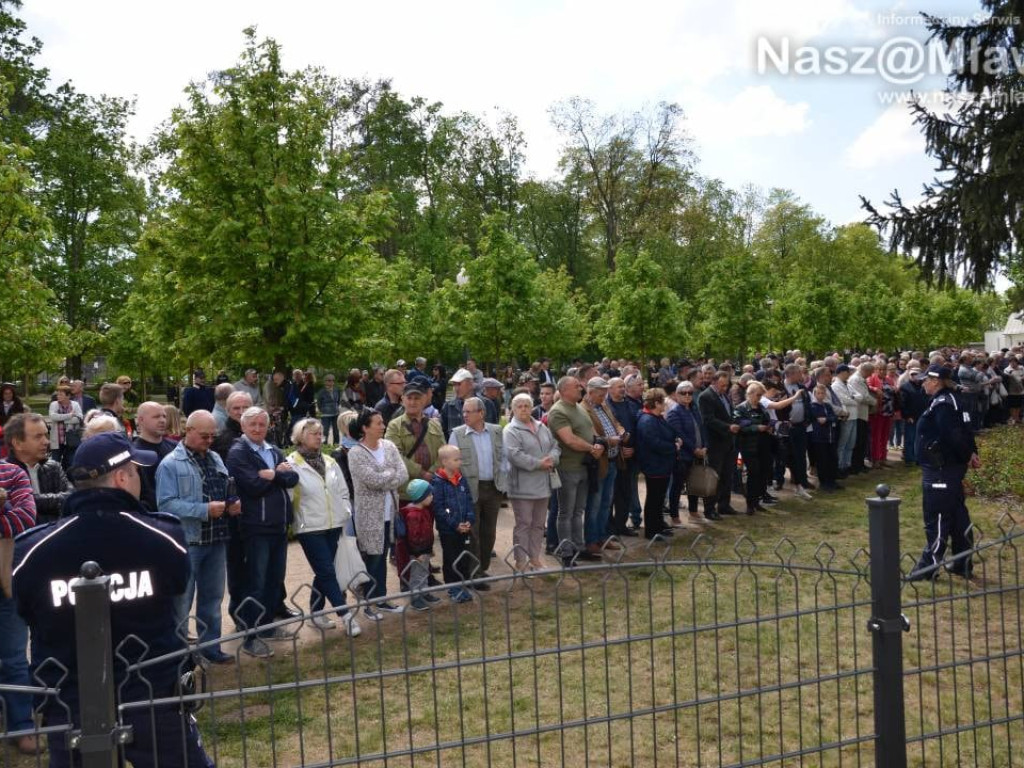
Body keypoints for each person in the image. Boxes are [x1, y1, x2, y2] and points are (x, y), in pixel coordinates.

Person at [13, 432, 213, 766]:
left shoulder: (33, 549)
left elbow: (26, 607)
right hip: (151, 692)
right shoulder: (162, 534)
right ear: (121, 477)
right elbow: (178, 583)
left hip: (69, 697)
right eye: (136, 472)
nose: (140, 480)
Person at [156, 410, 238, 665]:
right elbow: (165, 504)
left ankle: (210, 648)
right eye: (204, 436)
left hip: (216, 539)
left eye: (212, 435)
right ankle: (180, 658)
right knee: (182, 602)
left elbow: (226, 488)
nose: (209, 440)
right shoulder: (170, 464)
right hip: (189, 542)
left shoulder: (214, 457)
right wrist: (203, 510)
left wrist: (232, 503)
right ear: (188, 431)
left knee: (212, 599)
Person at [226, 407, 300, 658]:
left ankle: (267, 627)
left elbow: (293, 479)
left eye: (262, 424)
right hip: (256, 526)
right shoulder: (238, 452)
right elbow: (252, 485)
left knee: (272, 580)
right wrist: (278, 475)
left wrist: (274, 475)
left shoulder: (273, 449)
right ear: (243, 426)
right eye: (253, 424)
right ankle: (250, 636)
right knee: (254, 582)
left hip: (279, 525)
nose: (258, 428)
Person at [286, 418, 361, 636]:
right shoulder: (291, 463)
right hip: (309, 527)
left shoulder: (329, 461)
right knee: (327, 571)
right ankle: (345, 615)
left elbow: (343, 490)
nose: (319, 437)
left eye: (320, 433)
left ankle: (315, 612)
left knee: (324, 570)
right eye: (313, 434)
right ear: (300, 436)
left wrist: (345, 510)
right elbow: (289, 495)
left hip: (334, 523)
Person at [907, 364, 980, 582]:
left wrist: (968, 453)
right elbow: (966, 431)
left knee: (937, 516)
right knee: (957, 516)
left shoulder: (944, 404)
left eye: (926, 380)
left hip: (941, 469)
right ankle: (961, 562)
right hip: (949, 467)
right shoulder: (953, 400)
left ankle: (928, 567)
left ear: (936, 381)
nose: (923, 383)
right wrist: (971, 452)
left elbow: (955, 434)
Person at [346, 408, 409, 619]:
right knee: (371, 557)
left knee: (381, 556)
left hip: (390, 512)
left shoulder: (389, 446)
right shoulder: (355, 453)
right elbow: (372, 481)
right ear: (365, 428)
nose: (383, 426)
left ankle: (380, 599)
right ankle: (368, 603)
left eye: (383, 422)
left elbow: (404, 474)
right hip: (369, 516)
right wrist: (389, 475)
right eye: (378, 423)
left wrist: (385, 477)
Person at [0, 457, 38, 756]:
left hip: (5, 584)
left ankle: (21, 727)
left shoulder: (12, 473)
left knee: (13, 656)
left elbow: (25, 518)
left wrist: (6, 508)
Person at [449, 397, 508, 584]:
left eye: (468, 411)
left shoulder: (497, 431)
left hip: (493, 489)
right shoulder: (457, 434)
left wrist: (503, 479)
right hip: (470, 490)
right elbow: (452, 463)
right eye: (463, 412)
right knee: (473, 533)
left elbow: (504, 458)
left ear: (481, 413)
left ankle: (482, 569)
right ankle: (474, 575)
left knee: (489, 532)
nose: (464, 415)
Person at [548, 376, 603, 564]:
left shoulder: (579, 407)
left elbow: (590, 431)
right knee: (566, 512)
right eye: (576, 386)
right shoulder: (558, 411)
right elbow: (569, 439)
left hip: (584, 467)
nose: (581, 388)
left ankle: (579, 547)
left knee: (578, 511)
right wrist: (591, 448)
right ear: (564, 391)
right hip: (567, 468)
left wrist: (598, 444)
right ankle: (566, 552)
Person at [504, 392, 560, 570]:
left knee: (538, 525)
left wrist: (551, 459)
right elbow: (514, 455)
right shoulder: (510, 430)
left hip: (543, 485)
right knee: (524, 524)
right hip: (522, 486)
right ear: (513, 409)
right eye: (519, 406)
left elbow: (555, 446)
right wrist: (539, 464)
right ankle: (521, 561)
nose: (523, 409)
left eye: (526, 405)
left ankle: (535, 558)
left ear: (532, 408)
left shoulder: (541, 427)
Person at [581, 377, 624, 555]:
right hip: (599, 462)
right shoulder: (583, 409)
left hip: (612, 460)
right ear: (590, 393)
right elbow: (589, 436)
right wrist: (609, 440)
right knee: (595, 503)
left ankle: (602, 536)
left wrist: (621, 431)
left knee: (607, 502)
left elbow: (614, 423)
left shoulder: (604, 405)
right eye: (600, 395)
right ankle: (591, 540)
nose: (604, 397)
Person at [4, 413, 74, 523]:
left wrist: (30, 501)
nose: (47, 441)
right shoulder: (4, 474)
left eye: (46, 435)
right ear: (17, 444)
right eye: (38, 436)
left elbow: (71, 497)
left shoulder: (53, 467)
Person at [430, 445, 475, 603]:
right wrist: (455, 524)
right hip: (449, 530)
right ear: (444, 461)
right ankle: (452, 587)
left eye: (460, 459)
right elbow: (439, 509)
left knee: (463, 557)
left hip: (464, 528)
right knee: (451, 557)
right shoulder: (438, 482)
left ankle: (463, 584)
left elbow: (469, 500)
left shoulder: (461, 479)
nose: (460, 462)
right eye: (456, 459)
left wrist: (469, 519)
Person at [666, 381, 715, 522]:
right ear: (677, 394)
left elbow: (702, 428)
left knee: (694, 484)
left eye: (690, 393)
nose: (687, 395)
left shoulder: (694, 409)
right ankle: (674, 515)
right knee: (677, 485)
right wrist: (694, 450)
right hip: (683, 455)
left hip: (699, 452)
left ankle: (693, 512)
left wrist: (705, 446)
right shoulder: (674, 412)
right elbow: (679, 434)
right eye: (683, 393)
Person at [635, 388, 678, 539]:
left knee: (659, 498)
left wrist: (675, 439)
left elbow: (667, 433)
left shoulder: (657, 417)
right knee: (654, 499)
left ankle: (658, 526)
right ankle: (651, 530)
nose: (665, 405)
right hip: (654, 465)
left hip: (662, 464)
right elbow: (654, 443)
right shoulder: (647, 420)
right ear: (657, 403)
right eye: (663, 402)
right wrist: (673, 446)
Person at [698, 371, 741, 517]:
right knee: (714, 476)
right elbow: (708, 419)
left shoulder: (725, 396)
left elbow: (729, 414)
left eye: (727, 385)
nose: (725, 388)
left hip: (728, 442)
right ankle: (709, 509)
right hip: (715, 443)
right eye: (722, 385)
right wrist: (727, 427)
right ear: (714, 382)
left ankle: (724, 505)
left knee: (727, 475)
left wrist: (734, 422)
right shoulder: (706, 397)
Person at [398, 479, 439, 611]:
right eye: (429, 495)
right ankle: (416, 598)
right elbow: (413, 537)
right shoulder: (414, 515)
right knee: (417, 575)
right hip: (418, 552)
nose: (432, 497)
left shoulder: (424, 510)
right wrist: (417, 553)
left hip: (424, 549)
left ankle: (424, 592)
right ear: (421, 497)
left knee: (424, 571)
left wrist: (428, 549)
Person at [733, 381, 773, 515]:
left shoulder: (761, 407)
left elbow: (767, 420)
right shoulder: (741, 408)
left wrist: (769, 427)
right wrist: (756, 427)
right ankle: (750, 504)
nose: (759, 398)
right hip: (749, 446)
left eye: (761, 395)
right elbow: (740, 426)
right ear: (749, 394)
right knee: (753, 474)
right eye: (757, 395)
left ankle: (757, 502)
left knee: (763, 473)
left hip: (763, 444)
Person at [132, 401, 178, 512]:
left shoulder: (177, 448)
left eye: (164, 416)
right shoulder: (133, 453)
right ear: (141, 420)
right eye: (156, 417)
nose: (162, 420)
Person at [808, 384, 841, 492]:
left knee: (833, 459)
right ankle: (824, 483)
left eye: (823, 393)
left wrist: (827, 419)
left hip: (830, 437)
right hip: (819, 437)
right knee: (822, 461)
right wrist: (828, 419)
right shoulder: (812, 406)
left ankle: (832, 481)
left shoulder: (827, 406)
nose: (821, 395)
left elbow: (834, 418)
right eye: (818, 393)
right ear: (814, 394)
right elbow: (817, 419)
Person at [48, 384, 84, 468]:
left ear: (68, 395)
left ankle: (68, 479)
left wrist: (61, 419)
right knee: (55, 463)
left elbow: (79, 418)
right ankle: (55, 480)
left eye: (61, 394)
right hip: (57, 440)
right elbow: (53, 417)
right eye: (58, 394)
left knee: (70, 462)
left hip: (71, 440)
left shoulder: (75, 404)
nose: (58, 396)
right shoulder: (54, 404)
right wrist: (70, 415)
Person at [440, 368, 475, 439]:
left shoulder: (486, 404)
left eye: (459, 384)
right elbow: (443, 433)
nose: (456, 388)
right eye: (454, 385)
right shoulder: (448, 406)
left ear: (470, 384)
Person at [316, 374, 344, 444]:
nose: (331, 382)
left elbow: (338, 401)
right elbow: (319, 403)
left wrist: (336, 407)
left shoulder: (336, 390)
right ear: (325, 382)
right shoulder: (321, 392)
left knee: (336, 431)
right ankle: (325, 446)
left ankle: (336, 444)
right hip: (325, 414)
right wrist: (322, 410)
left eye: (332, 380)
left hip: (335, 413)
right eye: (329, 380)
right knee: (325, 431)